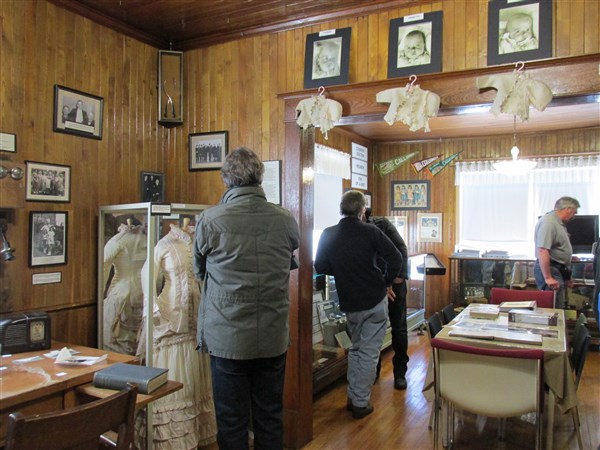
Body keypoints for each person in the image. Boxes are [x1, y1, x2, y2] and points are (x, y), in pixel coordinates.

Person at [193, 147, 300, 449]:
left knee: (231, 421)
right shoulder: (285, 219)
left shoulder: (210, 220)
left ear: (226, 179)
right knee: (269, 416)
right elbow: (289, 259)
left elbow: (198, 271)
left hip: (227, 338)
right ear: (260, 177)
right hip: (272, 334)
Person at [314, 190, 402, 419]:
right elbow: (396, 258)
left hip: (349, 301)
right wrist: (386, 281)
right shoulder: (371, 231)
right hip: (373, 300)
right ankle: (360, 403)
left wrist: (343, 270)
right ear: (362, 210)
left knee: (355, 350)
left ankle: (354, 397)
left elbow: (321, 266)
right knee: (368, 353)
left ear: (341, 210)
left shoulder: (328, 233)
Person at [138, 218, 217, 449]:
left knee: (196, 378)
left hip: (198, 319)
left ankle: (197, 433)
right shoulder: (163, 245)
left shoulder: (199, 242)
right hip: (171, 318)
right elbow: (147, 276)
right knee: (173, 372)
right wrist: (152, 310)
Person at [364, 209, 409, 390]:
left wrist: (394, 280)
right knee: (373, 330)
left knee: (398, 328)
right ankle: (373, 371)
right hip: (373, 284)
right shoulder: (352, 227)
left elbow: (401, 250)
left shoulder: (382, 224)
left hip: (394, 282)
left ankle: (400, 373)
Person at [102, 217, 146, 356]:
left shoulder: (117, 241)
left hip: (121, 294)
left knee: (117, 341)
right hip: (142, 293)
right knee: (135, 340)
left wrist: (102, 292)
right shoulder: (147, 240)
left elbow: (103, 267)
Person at [533, 196, 580, 309]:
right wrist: (548, 277)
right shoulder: (549, 222)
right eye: (574, 212)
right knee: (553, 308)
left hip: (558, 269)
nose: (574, 216)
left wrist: (567, 259)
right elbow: (543, 250)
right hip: (552, 269)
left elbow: (557, 247)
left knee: (558, 305)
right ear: (568, 209)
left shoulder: (558, 223)